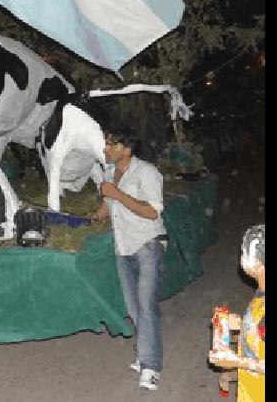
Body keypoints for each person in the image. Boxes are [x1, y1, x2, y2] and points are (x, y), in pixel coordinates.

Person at [93, 125, 167, 391]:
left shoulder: (146, 172)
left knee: (147, 308)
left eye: (112, 144)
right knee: (134, 309)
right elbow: (107, 208)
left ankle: (151, 366)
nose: (106, 149)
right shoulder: (109, 173)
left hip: (147, 245)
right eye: (107, 144)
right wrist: (97, 213)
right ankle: (144, 354)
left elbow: (152, 213)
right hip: (123, 247)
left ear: (128, 148)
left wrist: (117, 195)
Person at [210, 225, 265, 401]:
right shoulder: (261, 294)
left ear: (257, 263)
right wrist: (243, 326)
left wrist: (235, 362)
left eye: (243, 251)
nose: (241, 257)